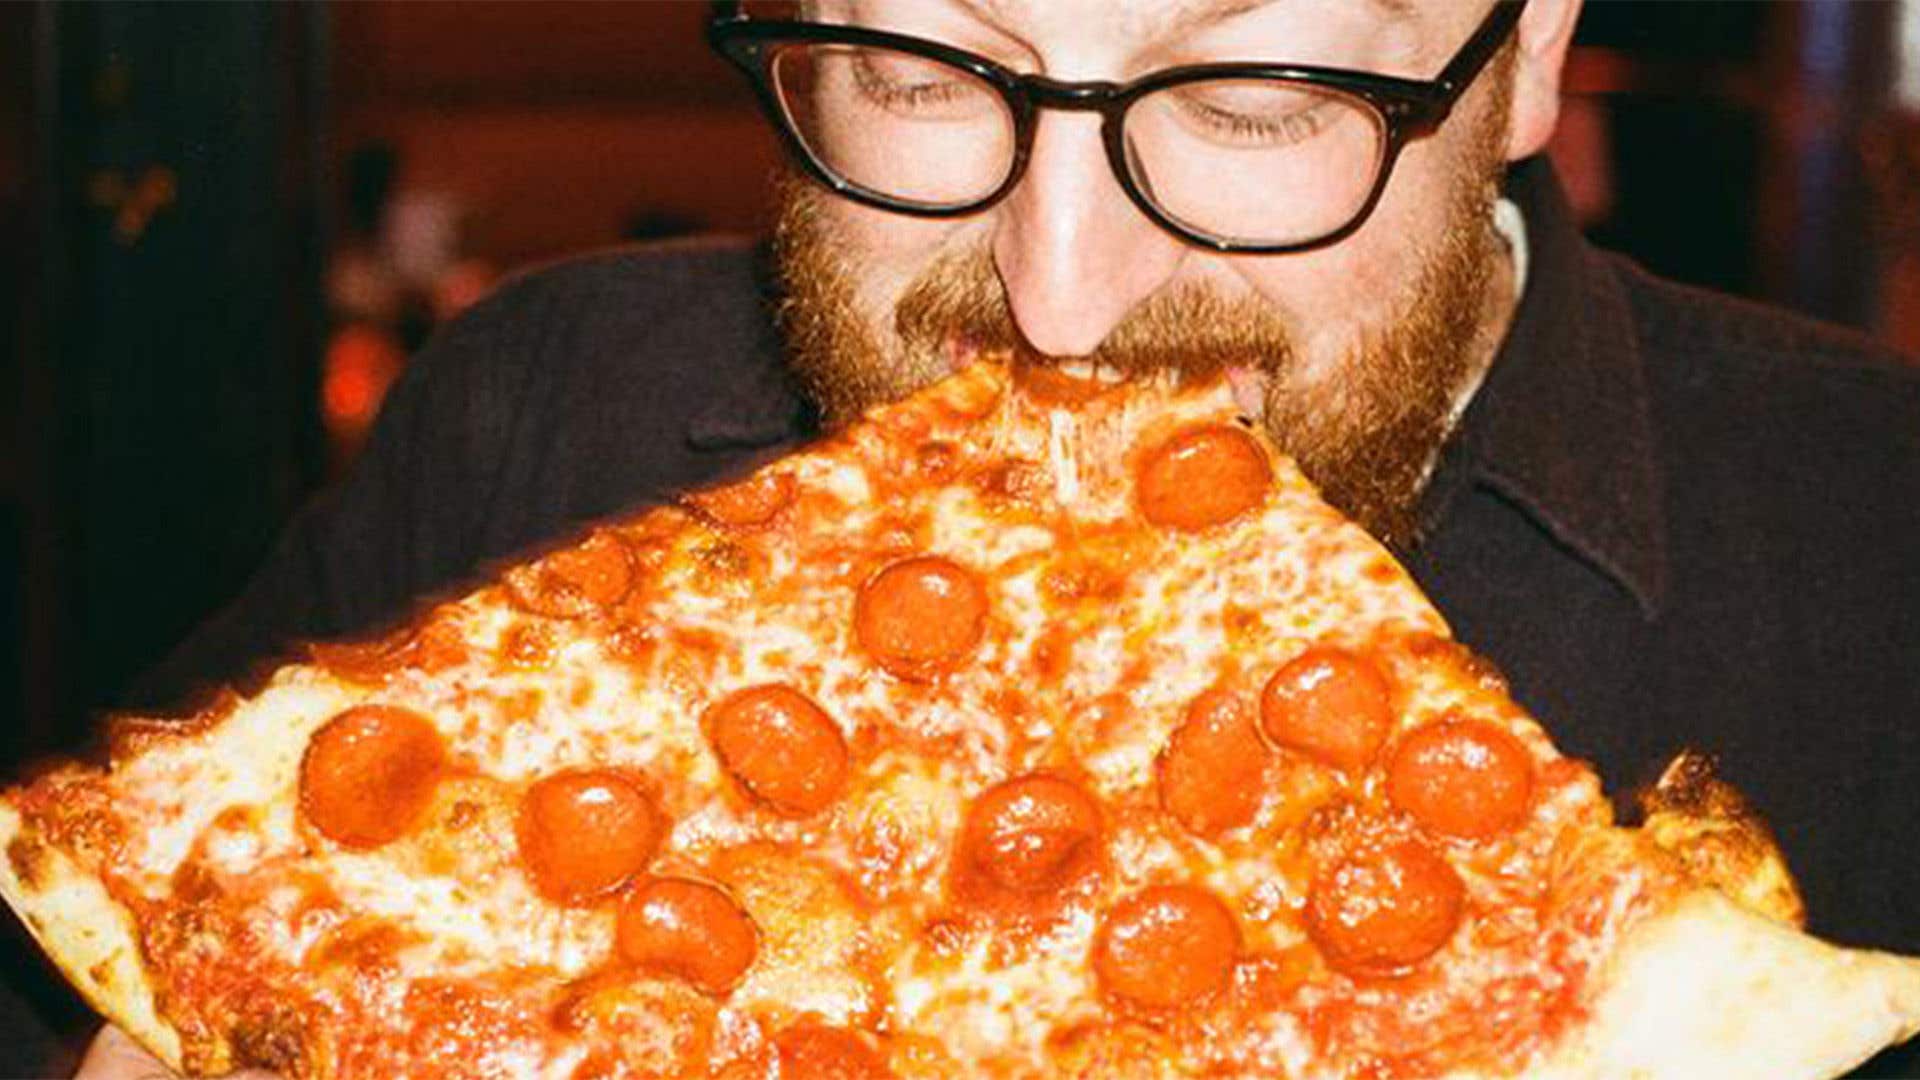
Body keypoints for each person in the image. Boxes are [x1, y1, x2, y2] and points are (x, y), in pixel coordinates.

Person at [72, 0, 1920, 1076]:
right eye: (918, 71)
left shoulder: (1878, 537)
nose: (1059, 301)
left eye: (1252, 100)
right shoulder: (536, 408)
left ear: (1526, 59)